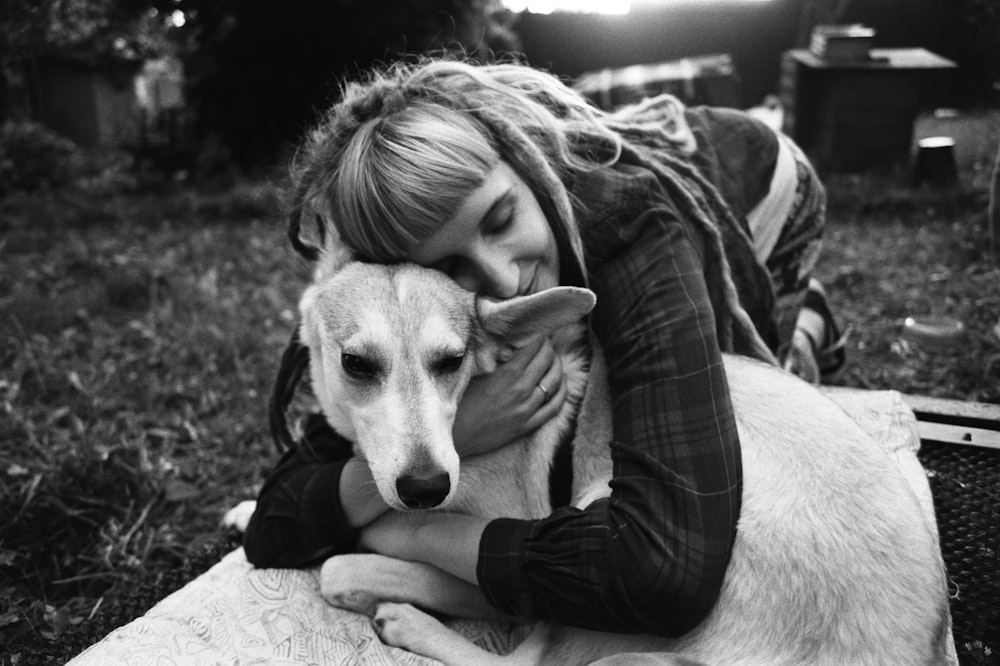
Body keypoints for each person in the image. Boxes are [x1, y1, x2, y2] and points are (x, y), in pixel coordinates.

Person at [242, 57, 845, 636]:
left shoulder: (632, 228)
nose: (505, 280)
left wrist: (415, 537)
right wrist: (465, 430)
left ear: (524, 165)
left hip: (763, 186)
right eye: (450, 264)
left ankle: (812, 323)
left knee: (744, 378)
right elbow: (275, 523)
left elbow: (667, 572)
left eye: (501, 219)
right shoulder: (372, 305)